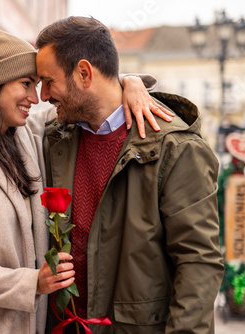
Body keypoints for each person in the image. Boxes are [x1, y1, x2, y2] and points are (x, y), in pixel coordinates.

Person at [0, 27, 168, 334]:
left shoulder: (30, 134)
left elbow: (91, 93)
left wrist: (130, 83)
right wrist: (31, 283)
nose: (35, 97)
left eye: (40, 83)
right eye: (27, 84)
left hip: (35, 325)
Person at [35, 16, 224, 333]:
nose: (43, 95)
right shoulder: (53, 138)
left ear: (84, 73)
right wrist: (130, 81)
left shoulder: (175, 148)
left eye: (48, 81)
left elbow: (198, 264)